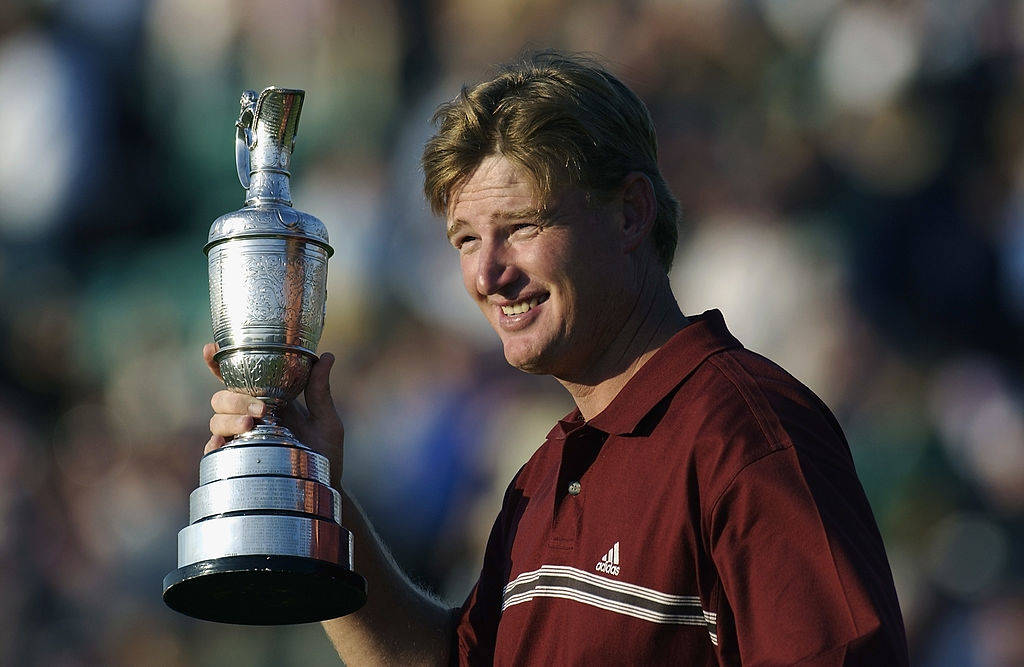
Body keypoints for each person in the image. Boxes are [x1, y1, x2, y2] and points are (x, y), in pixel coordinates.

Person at [204, 51, 909, 665]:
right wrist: (313, 498)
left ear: (630, 214)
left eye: (521, 227)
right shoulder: (544, 474)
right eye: (466, 240)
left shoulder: (746, 435)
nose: (487, 275)